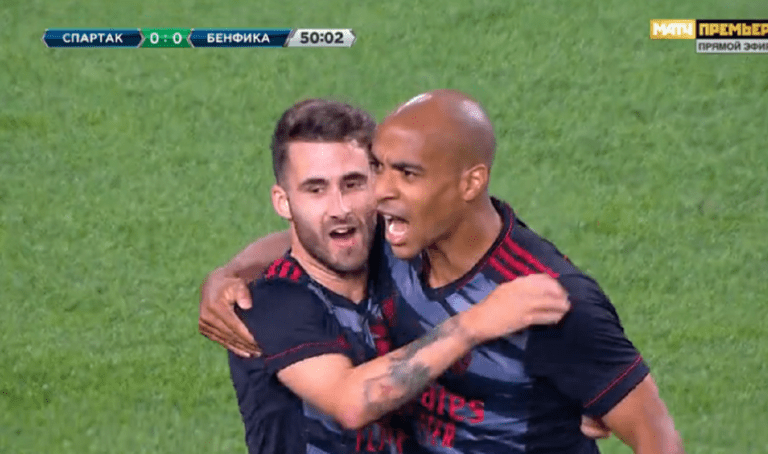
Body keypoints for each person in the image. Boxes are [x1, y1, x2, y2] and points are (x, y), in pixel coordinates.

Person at [200, 90, 685, 453]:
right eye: (315, 190)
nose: (350, 205)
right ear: (283, 201)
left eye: (361, 181)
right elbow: (351, 401)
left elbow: (656, 435)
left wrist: (586, 395)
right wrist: (229, 273)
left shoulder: (541, 296)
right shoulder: (285, 292)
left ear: (470, 183)